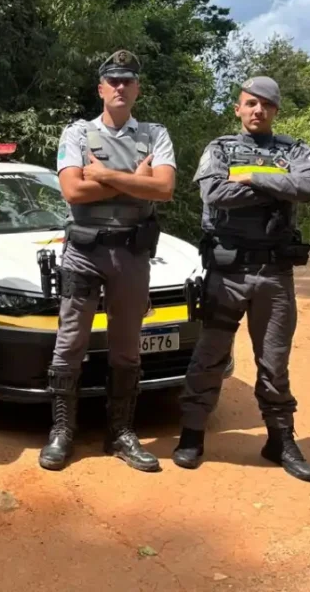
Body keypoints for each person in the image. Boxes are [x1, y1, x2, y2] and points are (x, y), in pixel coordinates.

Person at [174, 76, 310, 483]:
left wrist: (252, 178)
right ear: (239, 108)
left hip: (275, 274)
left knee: (274, 362)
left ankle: (281, 439)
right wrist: (280, 188)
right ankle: (192, 434)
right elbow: (215, 194)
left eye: (266, 104)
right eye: (251, 103)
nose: (258, 110)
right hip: (227, 273)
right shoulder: (220, 148)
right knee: (210, 355)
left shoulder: (293, 149)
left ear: (276, 110)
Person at [39, 50, 177, 473]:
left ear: (137, 89)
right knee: (70, 343)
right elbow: (73, 193)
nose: (120, 87)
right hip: (83, 252)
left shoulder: (156, 135)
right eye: (112, 81)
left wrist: (104, 176)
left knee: (126, 346)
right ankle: (62, 432)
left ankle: (120, 433)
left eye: (127, 81)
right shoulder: (77, 134)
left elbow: (165, 189)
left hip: (132, 254)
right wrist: (136, 181)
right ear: (100, 88)